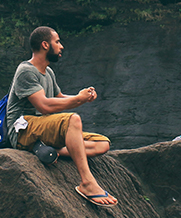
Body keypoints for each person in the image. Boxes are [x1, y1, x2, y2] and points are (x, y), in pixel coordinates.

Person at [6, 26, 118, 207]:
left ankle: (49, 149)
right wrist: (78, 101)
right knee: (72, 119)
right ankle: (87, 183)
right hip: (23, 128)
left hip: (42, 127)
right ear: (45, 44)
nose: (61, 46)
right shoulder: (26, 71)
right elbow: (43, 105)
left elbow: (59, 98)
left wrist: (82, 97)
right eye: (57, 42)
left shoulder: (48, 72)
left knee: (102, 144)